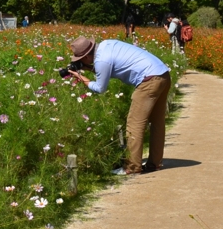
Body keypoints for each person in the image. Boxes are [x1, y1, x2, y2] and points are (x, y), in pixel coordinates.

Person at [67, 37, 171, 175]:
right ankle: (155, 163)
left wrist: (80, 77)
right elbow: (108, 68)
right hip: (163, 74)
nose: (78, 62)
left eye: (79, 59)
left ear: (86, 56)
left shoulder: (101, 60)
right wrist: (88, 68)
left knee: (134, 124)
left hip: (149, 81)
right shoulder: (106, 45)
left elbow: (100, 88)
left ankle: (132, 167)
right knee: (157, 122)